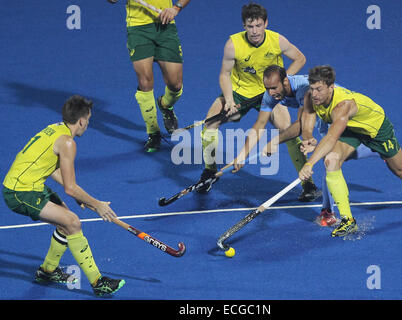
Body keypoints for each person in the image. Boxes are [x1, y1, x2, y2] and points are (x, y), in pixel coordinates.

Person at [295, 65, 402, 237]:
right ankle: (348, 220)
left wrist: (309, 163)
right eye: (312, 89)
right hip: (352, 130)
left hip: (376, 129)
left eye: (319, 89)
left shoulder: (342, 107)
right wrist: (308, 137)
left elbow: (331, 138)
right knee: (331, 160)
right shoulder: (310, 97)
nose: (315, 94)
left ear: (331, 87)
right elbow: (308, 115)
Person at [2, 96, 125, 296]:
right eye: (89, 119)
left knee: (65, 221)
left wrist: (81, 196)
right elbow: (70, 188)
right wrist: (98, 205)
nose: (88, 124)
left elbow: (50, 169)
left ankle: (47, 272)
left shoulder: (56, 129)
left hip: (29, 184)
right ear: (82, 121)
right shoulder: (68, 143)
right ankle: (98, 282)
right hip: (20, 192)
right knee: (73, 222)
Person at [196, 3, 320, 201]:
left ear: (265, 24)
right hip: (240, 93)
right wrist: (228, 100)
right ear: (244, 26)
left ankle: (308, 184)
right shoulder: (233, 44)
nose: (254, 31)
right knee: (210, 123)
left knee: (288, 131)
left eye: (258, 25)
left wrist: (280, 81)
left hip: (270, 93)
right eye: (250, 26)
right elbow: (224, 75)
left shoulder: (277, 40)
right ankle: (210, 172)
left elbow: (300, 58)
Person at [258, 65, 379, 226]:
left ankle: (327, 211)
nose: (271, 92)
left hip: (340, 115)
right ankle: (376, 150)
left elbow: (302, 126)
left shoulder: (305, 91)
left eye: (274, 87)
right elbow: (304, 125)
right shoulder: (278, 94)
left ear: (285, 82)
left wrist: (277, 141)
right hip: (325, 118)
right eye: (268, 88)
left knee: (330, 160)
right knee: (339, 157)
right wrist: (305, 138)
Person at [122, 0, 190, 152]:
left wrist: (176, 8)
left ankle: (165, 105)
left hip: (165, 25)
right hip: (138, 28)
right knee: (145, 81)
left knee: (175, 84)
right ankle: (153, 132)